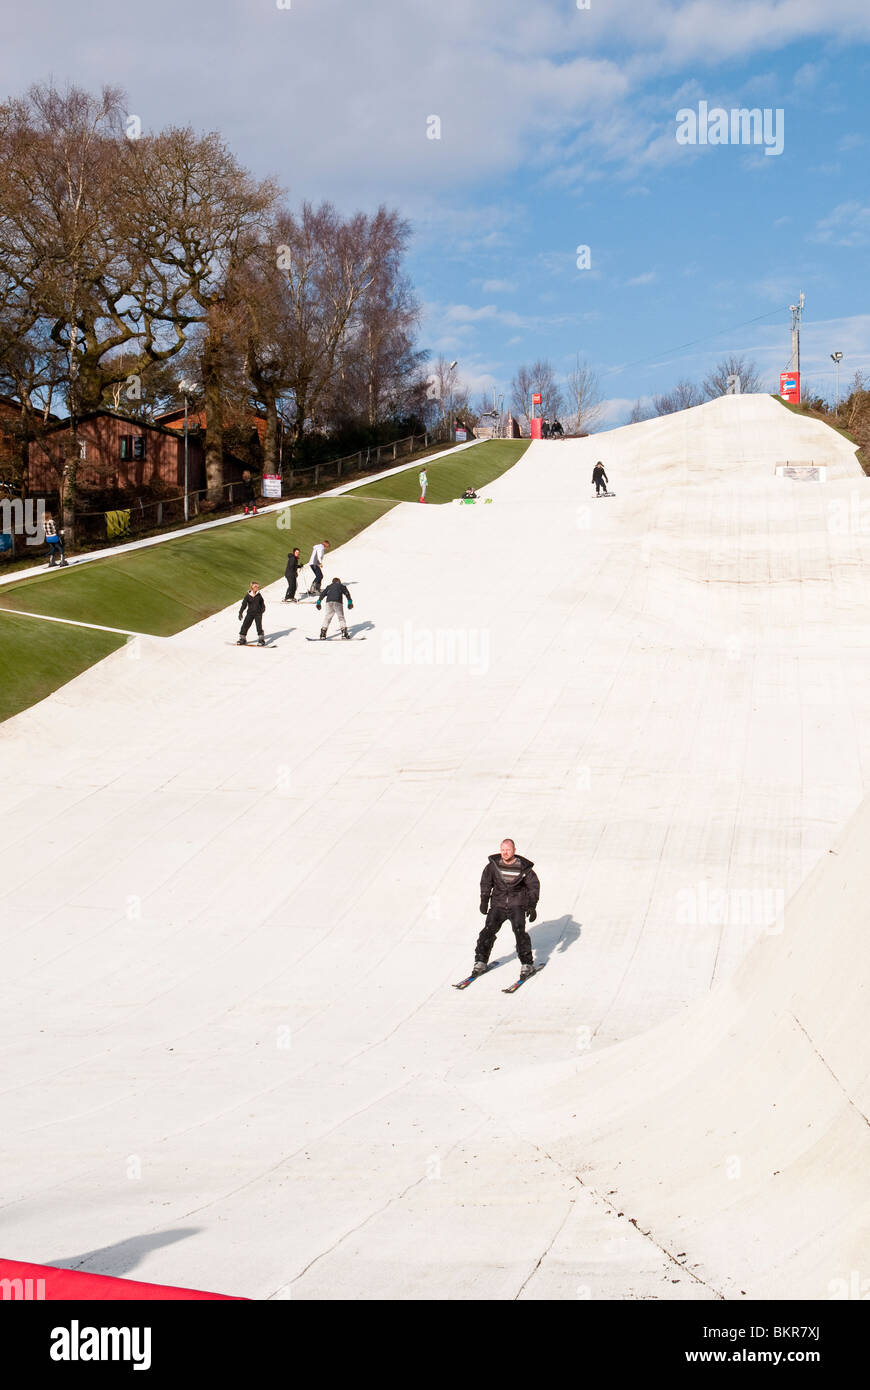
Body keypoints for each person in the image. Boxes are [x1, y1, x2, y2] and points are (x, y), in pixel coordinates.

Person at [472, 839, 540, 978]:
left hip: (517, 905)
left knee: (520, 932)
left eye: (508, 849)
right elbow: (486, 883)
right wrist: (484, 900)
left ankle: (527, 964)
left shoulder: (524, 867)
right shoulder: (492, 867)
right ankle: (480, 961)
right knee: (488, 931)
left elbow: (533, 887)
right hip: (498, 904)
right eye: (503, 849)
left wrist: (532, 906)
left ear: (514, 850)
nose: (505, 852)